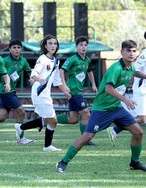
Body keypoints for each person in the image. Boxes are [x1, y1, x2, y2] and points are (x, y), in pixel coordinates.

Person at [57, 39, 146, 173]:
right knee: (87, 136)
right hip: (102, 109)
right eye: (128, 51)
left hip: (116, 108)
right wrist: (125, 100)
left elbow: (134, 72)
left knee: (138, 132)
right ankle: (63, 161)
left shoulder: (130, 66)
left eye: (134, 51)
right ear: (122, 52)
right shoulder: (115, 68)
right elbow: (108, 89)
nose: (131, 53)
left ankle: (135, 162)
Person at [15, 34, 71, 151]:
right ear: (45, 46)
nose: (53, 46)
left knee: (48, 120)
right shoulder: (42, 58)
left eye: (55, 43)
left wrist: (65, 90)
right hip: (39, 93)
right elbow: (34, 73)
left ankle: (21, 127)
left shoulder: (56, 61)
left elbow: (57, 80)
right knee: (53, 120)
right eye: (50, 43)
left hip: (46, 94)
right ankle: (47, 146)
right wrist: (39, 79)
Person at [0, 39, 33, 144]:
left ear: (21, 49)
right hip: (5, 92)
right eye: (14, 47)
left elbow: (29, 73)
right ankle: (21, 139)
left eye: (18, 47)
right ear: (10, 49)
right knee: (21, 111)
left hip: (12, 91)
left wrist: (32, 79)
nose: (16, 50)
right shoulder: (5, 61)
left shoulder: (23, 61)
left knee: (1, 117)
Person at [57, 36, 98, 146]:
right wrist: (64, 86)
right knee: (86, 114)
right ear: (76, 47)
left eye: (85, 45)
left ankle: (49, 120)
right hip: (73, 92)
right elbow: (61, 70)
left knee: (73, 119)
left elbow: (90, 71)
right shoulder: (72, 59)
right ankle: (85, 140)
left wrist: (93, 84)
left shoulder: (87, 60)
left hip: (78, 92)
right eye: (81, 45)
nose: (83, 47)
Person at [107, 31, 146, 146]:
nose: (131, 53)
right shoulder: (144, 54)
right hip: (142, 89)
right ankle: (115, 129)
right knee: (142, 119)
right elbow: (135, 70)